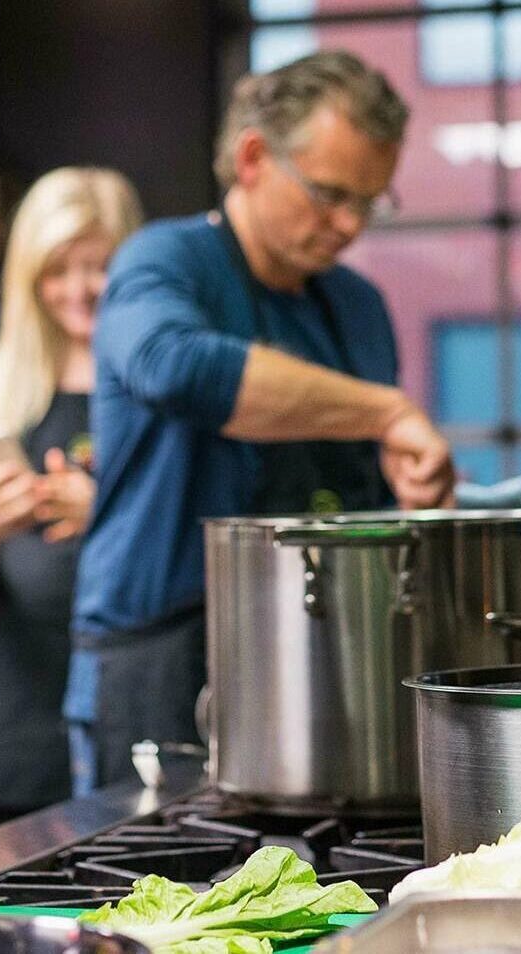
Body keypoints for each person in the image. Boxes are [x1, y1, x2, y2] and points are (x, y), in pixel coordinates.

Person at [66, 50, 458, 792]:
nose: (348, 224)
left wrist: (410, 477)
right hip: (162, 656)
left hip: (316, 656)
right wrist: (387, 412)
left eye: (370, 202)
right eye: (330, 194)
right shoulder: (162, 262)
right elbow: (177, 367)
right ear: (253, 157)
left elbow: (364, 481)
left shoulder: (356, 307)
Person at [0, 167, 143, 836]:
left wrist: (99, 513)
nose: (79, 290)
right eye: (57, 270)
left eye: (98, 267)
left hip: (125, 700)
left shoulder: (152, 387)